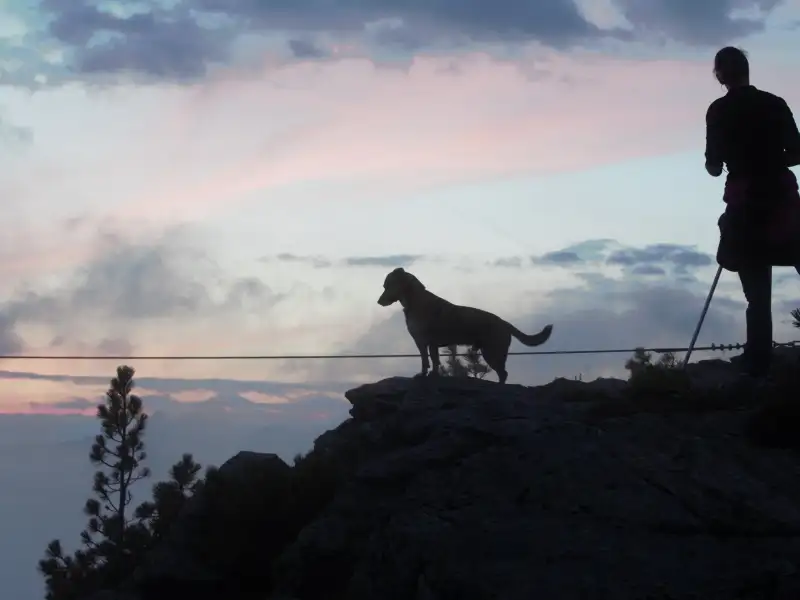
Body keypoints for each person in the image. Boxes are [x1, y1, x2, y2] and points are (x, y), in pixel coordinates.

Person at [705, 46, 800, 379]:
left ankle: (759, 359)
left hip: (746, 202)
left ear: (720, 76)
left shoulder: (718, 111)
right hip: (783, 195)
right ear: (747, 71)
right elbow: (798, 152)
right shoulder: (775, 103)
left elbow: (714, 166)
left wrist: (728, 164)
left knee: (757, 289)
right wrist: (772, 162)